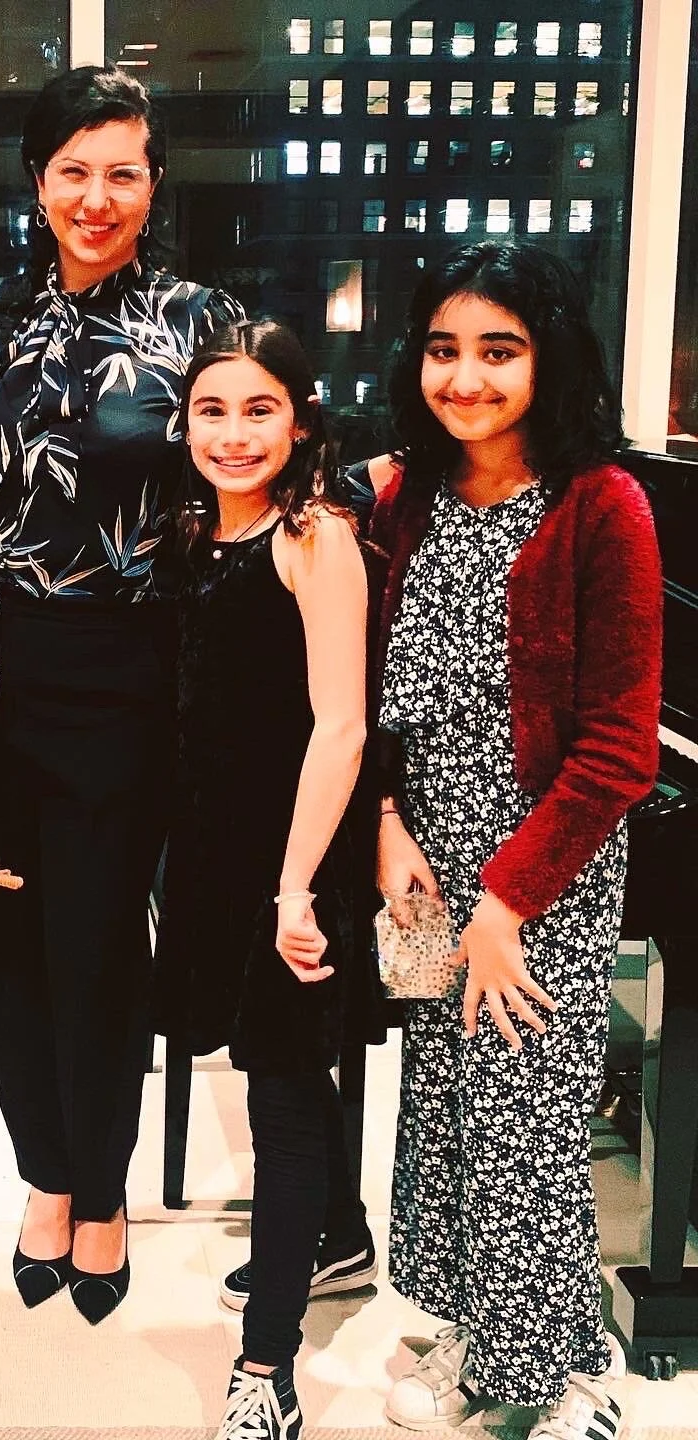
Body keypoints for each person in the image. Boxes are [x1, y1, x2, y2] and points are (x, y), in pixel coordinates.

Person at [0, 63, 242, 1322]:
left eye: (123, 171)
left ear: (154, 184)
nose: (97, 195)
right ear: (38, 182)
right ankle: (46, 1173)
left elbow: (260, 457)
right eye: (74, 170)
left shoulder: (201, 320)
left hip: (132, 664)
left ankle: (105, 1188)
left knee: (97, 941)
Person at [373, 242, 662, 1439]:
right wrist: (387, 823)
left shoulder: (603, 505)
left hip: (545, 871)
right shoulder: (406, 496)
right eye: (444, 350)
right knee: (445, 1109)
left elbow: (619, 749)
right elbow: (380, 694)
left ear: (550, 359)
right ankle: (476, 1335)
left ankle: (566, 1374)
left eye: (500, 350)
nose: (467, 377)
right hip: (425, 858)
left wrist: (507, 903)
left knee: (526, 1124)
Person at [155, 320, 376, 1438]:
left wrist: (295, 892)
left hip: (293, 858)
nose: (234, 434)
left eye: (259, 410)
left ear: (300, 421)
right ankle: (341, 1239)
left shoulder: (313, 535)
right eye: (213, 410)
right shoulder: (197, 530)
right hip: (210, 853)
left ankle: (265, 1366)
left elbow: (342, 726)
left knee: (282, 1099)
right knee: (268, 1065)